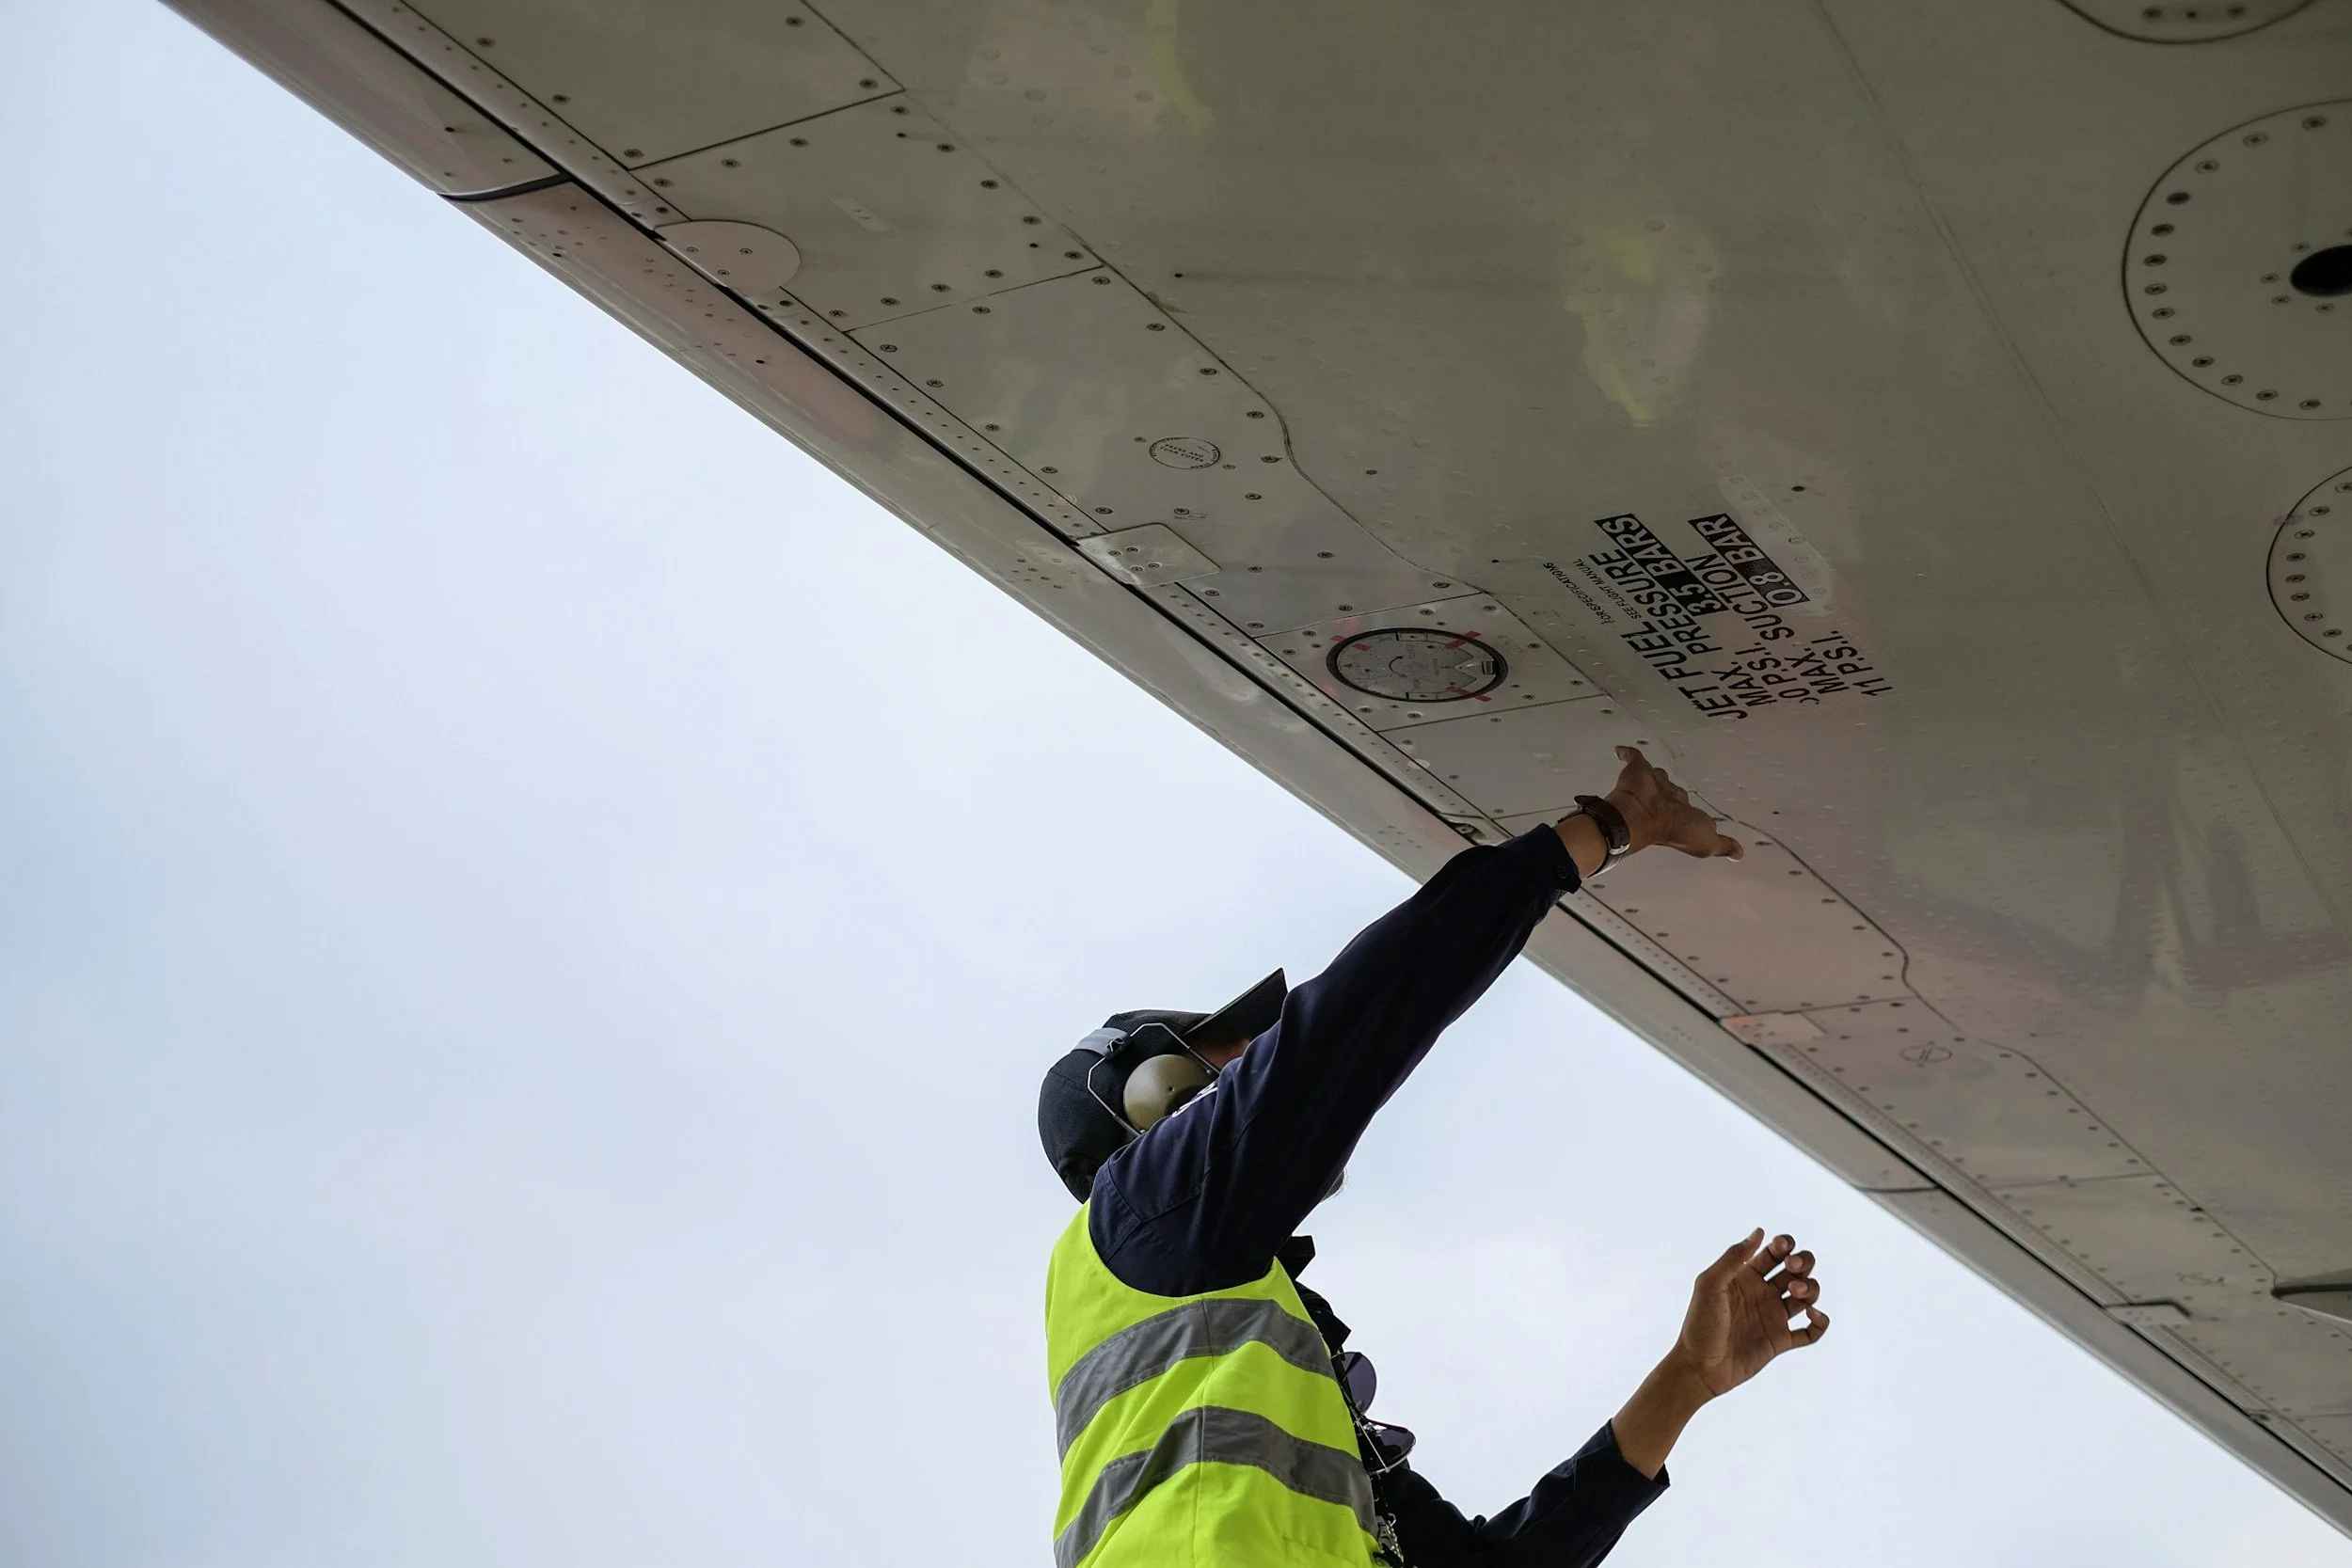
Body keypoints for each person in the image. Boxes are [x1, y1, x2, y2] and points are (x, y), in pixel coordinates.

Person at [1036, 747, 1830, 1568]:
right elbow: (1366, 1009)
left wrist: (1685, 1380)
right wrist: (1606, 829)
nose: (1256, 1063)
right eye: (1232, 1056)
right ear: (1152, 1102)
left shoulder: (1241, 1350)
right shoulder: (1141, 1212)